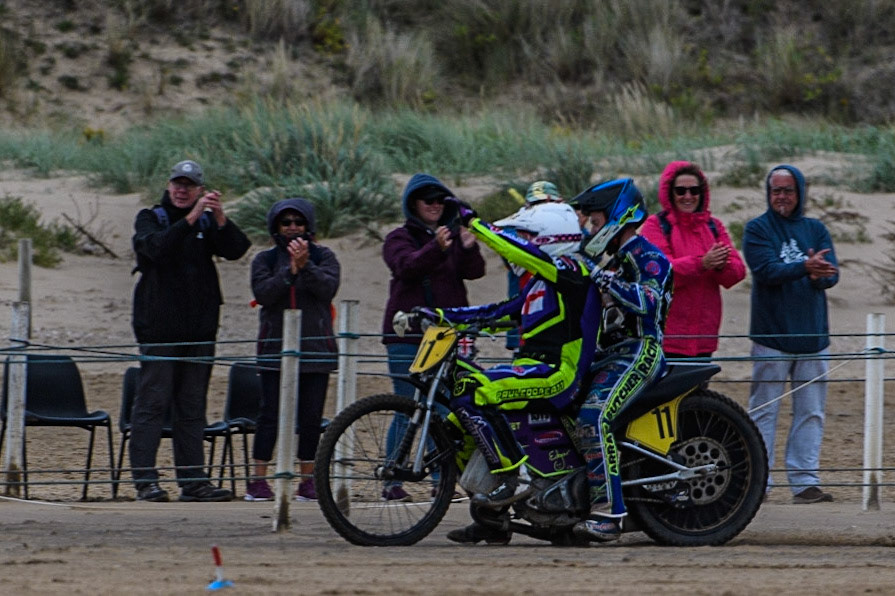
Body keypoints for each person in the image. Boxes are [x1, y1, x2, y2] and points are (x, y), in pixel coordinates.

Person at [431, 200, 601, 544]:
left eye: (526, 235)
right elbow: (497, 312)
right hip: (533, 369)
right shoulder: (539, 283)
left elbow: (517, 251)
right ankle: (491, 519)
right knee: (456, 420)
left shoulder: (570, 270)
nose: (519, 242)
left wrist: (474, 224)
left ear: (550, 237)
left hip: (559, 375)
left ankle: (514, 479)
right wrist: (438, 315)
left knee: (475, 391)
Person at [130, 159, 250, 502]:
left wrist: (220, 218)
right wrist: (192, 218)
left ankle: (194, 482)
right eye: (177, 184)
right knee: (152, 404)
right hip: (158, 330)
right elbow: (156, 248)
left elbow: (237, 249)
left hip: (200, 331)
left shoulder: (209, 221)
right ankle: (145, 482)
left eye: (189, 185)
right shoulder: (151, 218)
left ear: (200, 189)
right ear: (169, 186)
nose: (182, 190)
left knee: (192, 406)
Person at [572, 177, 673, 542]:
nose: (589, 229)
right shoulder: (614, 258)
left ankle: (608, 516)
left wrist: (600, 278)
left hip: (640, 350)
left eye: (595, 221)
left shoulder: (649, 256)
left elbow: (648, 300)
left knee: (593, 418)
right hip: (607, 354)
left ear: (618, 216)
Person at [381, 173, 486, 501]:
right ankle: (391, 478)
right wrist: (435, 247)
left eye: (441, 201)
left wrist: (468, 247)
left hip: (447, 334)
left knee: (443, 408)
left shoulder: (453, 237)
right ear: (413, 204)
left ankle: (441, 481)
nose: (435, 206)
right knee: (408, 406)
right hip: (407, 335)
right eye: (428, 200)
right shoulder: (397, 237)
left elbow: (475, 272)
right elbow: (406, 266)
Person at [742, 164, 839, 505]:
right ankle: (758, 482)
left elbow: (831, 274)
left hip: (813, 338)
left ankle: (805, 481)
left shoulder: (815, 229)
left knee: (811, 411)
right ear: (769, 194)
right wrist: (804, 267)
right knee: (764, 411)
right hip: (772, 337)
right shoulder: (757, 229)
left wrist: (820, 275)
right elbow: (766, 270)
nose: (782, 197)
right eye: (776, 190)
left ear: (799, 193)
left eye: (788, 190)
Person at [244, 198, 340, 502]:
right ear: (276, 227)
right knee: (270, 415)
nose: (293, 228)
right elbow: (264, 293)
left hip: (315, 350)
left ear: (308, 226)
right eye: (286, 223)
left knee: (311, 418)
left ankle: (307, 480)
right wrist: (289, 271)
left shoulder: (325, 256)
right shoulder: (265, 260)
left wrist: (305, 266)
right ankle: (258, 481)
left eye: (298, 223)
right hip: (274, 349)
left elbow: (328, 288)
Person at [640, 161, 745, 360]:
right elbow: (661, 273)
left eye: (694, 190)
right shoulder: (656, 226)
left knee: (700, 393)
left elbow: (737, 273)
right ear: (670, 193)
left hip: (704, 337)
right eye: (681, 191)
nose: (688, 197)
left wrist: (722, 266)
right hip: (666, 338)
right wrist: (702, 263)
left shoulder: (714, 227)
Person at [504, 180, 564, 352]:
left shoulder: (570, 229)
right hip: (528, 317)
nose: (540, 210)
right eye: (535, 205)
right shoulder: (518, 229)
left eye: (546, 204)